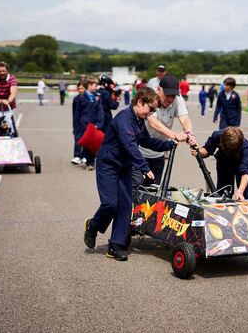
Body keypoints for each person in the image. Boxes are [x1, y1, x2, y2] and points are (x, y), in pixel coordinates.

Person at [84, 87, 176, 261]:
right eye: (151, 109)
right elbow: (130, 146)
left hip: (124, 167)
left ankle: (115, 246)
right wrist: (144, 167)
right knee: (111, 204)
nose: (151, 113)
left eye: (154, 111)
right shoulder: (124, 119)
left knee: (125, 206)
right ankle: (93, 225)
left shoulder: (139, 120)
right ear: (140, 102)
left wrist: (168, 144)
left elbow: (146, 141)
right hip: (108, 165)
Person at [132, 74, 196, 187]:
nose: (170, 99)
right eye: (167, 95)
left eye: (173, 96)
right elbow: (152, 122)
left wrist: (189, 133)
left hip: (158, 153)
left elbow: (185, 118)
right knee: (137, 188)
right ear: (158, 89)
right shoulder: (152, 99)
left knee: (154, 190)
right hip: (140, 152)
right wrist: (174, 135)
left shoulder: (178, 100)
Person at [191, 127, 248, 200]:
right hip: (224, 163)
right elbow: (207, 150)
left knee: (244, 195)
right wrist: (198, 151)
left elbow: (246, 172)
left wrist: (240, 191)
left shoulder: (245, 147)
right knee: (223, 194)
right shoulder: (217, 136)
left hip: (240, 164)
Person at [73, 77, 104, 171]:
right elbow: (77, 114)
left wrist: (99, 124)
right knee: (86, 145)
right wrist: (76, 128)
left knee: (94, 144)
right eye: (95, 86)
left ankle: (91, 162)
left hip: (94, 125)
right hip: (84, 125)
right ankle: (88, 162)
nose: (96, 88)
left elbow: (100, 112)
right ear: (89, 85)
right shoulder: (81, 98)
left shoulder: (97, 98)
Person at [0, 62, 18, 134]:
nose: (2, 73)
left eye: (3, 71)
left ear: (6, 71)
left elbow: (13, 93)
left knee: (11, 128)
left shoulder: (12, 78)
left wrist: (8, 100)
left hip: (9, 107)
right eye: (0, 71)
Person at [71, 82, 87, 165]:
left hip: (86, 121)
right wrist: (74, 121)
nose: (80, 90)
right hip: (77, 121)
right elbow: (74, 111)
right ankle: (77, 156)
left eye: (82, 88)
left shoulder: (89, 98)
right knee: (77, 139)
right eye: (79, 89)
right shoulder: (76, 99)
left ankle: (84, 156)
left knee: (85, 139)